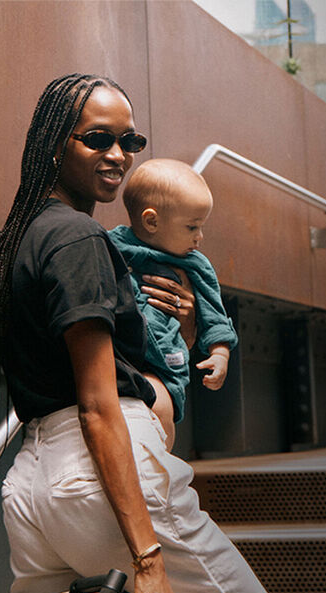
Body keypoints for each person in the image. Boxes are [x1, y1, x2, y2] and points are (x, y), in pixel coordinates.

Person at [0, 73, 289, 593]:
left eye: (130, 140)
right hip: (97, 472)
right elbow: (98, 405)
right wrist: (148, 564)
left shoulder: (23, 235)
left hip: (32, 490)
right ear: (54, 144)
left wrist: (183, 340)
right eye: (98, 139)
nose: (118, 156)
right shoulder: (79, 237)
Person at [106, 158, 236, 447]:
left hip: (166, 360)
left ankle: (161, 465)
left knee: (162, 411)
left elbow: (214, 314)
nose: (200, 238)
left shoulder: (195, 265)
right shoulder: (112, 245)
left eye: (201, 227)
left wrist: (220, 354)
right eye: (192, 227)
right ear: (151, 221)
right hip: (120, 354)